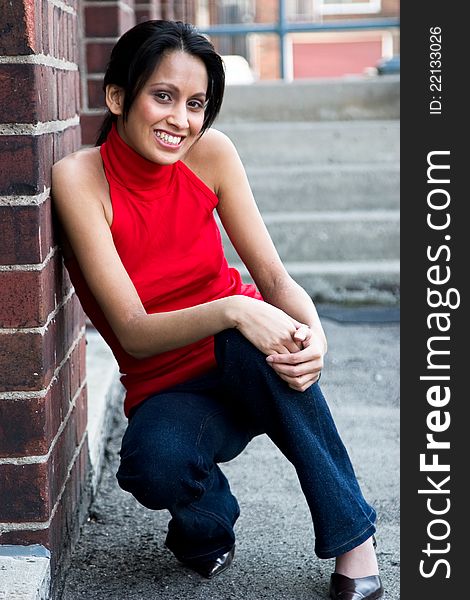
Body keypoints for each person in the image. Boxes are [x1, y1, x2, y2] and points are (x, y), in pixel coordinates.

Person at [52, 20, 383, 600]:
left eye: (197, 103)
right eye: (163, 96)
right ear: (117, 97)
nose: (181, 119)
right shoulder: (81, 179)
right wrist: (232, 309)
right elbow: (133, 332)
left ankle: (355, 541)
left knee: (260, 338)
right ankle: (208, 523)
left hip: (247, 359)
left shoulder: (212, 155)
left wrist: (315, 335)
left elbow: (274, 278)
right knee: (151, 467)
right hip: (167, 385)